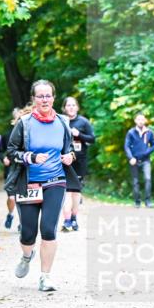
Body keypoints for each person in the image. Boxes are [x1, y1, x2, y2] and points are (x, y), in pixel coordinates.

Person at [5, 81, 79, 292]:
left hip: (56, 180)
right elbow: (11, 151)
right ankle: (27, 255)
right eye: (40, 96)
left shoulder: (63, 122)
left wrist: (69, 157)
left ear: (54, 98)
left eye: (48, 96)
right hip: (29, 182)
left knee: (48, 229)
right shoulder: (25, 123)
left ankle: (45, 277)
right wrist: (31, 156)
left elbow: (70, 149)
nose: (44, 100)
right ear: (34, 99)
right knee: (28, 233)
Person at [61, 96, 95, 232]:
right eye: (68, 105)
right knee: (66, 191)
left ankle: (74, 218)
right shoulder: (61, 121)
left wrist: (79, 134)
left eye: (73, 105)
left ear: (77, 107)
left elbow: (92, 139)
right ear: (64, 108)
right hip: (65, 161)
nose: (71, 107)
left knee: (75, 192)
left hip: (79, 161)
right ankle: (66, 220)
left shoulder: (83, 122)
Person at [124, 113, 154, 208]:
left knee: (148, 179)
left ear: (145, 120)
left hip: (146, 160)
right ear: (135, 120)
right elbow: (126, 146)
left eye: (142, 119)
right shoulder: (131, 132)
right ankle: (137, 202)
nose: (140, 121)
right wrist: (131, 158)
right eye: (138, 119)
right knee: (135, 181)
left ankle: (148, 201)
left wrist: (147, 152)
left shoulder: (149, 132)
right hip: (134, 160)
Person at [1, 108, 23, 229]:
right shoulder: (7, 135)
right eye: (17, 117)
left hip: (25, 168)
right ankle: (10, 214)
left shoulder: (30, 132)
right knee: (11, 197)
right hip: (11, 167)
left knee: (23, 197)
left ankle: (22, 221)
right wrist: (4, 157)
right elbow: (2, 150)